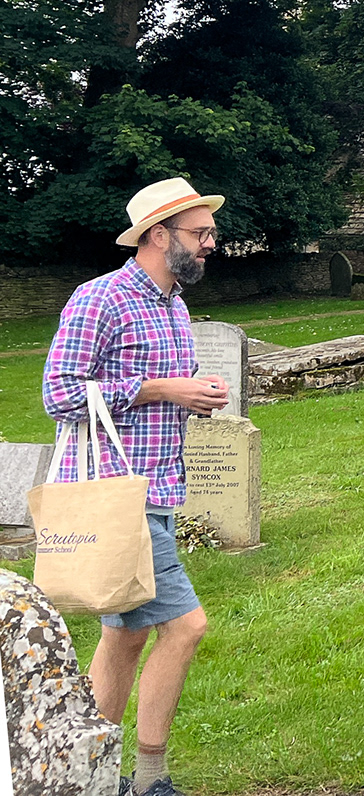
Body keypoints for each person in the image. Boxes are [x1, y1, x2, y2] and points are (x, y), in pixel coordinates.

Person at [43, 178, 232, 796]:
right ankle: (149, 779)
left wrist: (190, 399)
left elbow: (155, 394)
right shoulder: (99, 299)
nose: (210, 243)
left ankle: (86, 774)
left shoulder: (172, 303)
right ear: (158, 235)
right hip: (117, 496)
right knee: (185, 627)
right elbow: (58, 394)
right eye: (199, 233)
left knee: (124, 635)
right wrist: (159, 388)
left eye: (209, 232)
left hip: (157, 491)